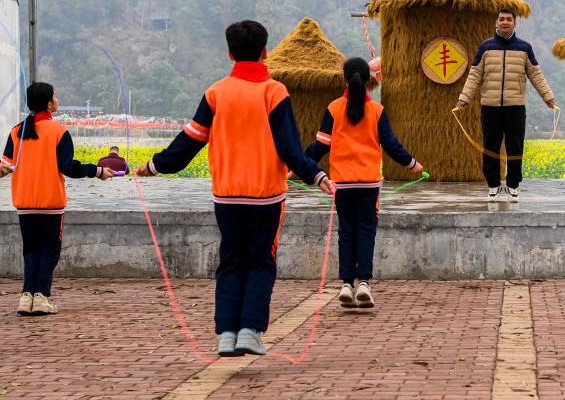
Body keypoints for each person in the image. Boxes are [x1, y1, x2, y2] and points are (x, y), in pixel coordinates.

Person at [135, 20, 335, 357]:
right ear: (265, 52)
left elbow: (188, 143)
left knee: (230, 261)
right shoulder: (275, 92)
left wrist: (154, 166)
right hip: (266, 196)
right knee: (260, 262)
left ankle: (226, 334)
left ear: (230, 53)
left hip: (226, 196)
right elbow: (290, 148)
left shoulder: (216, 93)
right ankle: (250, 330)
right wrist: (316, 175)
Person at [306, 57, 424, 309]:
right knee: (366, 232)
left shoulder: (333, 109)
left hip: (343, 184)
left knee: (346, 232)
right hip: (369, 184)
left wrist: (301, 166)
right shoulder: (377, 111)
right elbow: (391, 144)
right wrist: (412, 164)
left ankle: (346, 284)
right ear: (369, 81)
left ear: (344, 80)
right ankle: (364, 284)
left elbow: (320, 147)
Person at [0, 82, 114, 316]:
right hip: (50, 203)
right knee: (50, 251)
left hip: (24, 203)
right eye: (56, 96)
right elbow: (68, 167)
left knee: (31, 251)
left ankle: (26, 297)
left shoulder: (16, 131)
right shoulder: (59, 131)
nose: (57, 98)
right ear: (49, 104)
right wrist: (97, 171)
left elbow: (5, 166)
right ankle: (42, 296)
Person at [456, 8, 556, 202]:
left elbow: (535, 74)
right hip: (490, 107)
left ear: (514, 24)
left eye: (509, 19)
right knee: (491, 146)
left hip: (515, 107)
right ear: (496, 23)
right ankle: (493, 185)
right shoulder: (485, 47)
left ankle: (513, 185)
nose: (505, 22)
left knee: (515, 147)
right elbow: (475, 75)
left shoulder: (524, 48)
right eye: (501, 19)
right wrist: (464, 98)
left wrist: (548, 97)